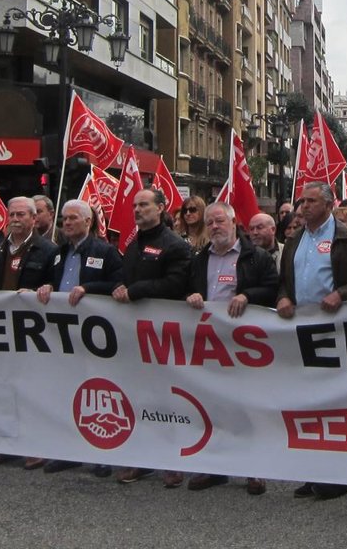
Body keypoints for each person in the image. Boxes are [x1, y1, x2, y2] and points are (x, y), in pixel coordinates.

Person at [277, 181, 347, 500]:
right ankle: (313, 472)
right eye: (301, 201)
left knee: (336, 406)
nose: (303, 207)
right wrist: (283, 297)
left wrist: (342, 294)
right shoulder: (294, 241)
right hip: (303, 333)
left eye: (310, 201)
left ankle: (337, 476)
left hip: (339, 330)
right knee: (309, 404)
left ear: (328, 204)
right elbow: (284, 282)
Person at [182, 202, 278, 495]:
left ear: (234, 221)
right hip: (210, 345)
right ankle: (215, 468)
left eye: (219, 221)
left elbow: (273, 288)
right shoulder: (199, 260)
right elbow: (183, 288)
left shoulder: (256, 257)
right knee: (214, 406)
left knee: (247, 407)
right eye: (209, 222)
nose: (214, 227)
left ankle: (254, 469)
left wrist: (247, 295)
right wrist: (191, 295)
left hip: (246, 345)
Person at [34, 199, 122, 475]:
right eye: (63, 219)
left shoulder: (106, 252)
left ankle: (102, 453)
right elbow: (47, 280)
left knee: (96, 393)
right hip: (63, 333)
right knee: (65, 390)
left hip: (94, 335)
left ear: (88, 221)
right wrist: (46, 286)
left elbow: (117, 284)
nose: (67, 223)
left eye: (73, 218)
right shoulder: (58, 253)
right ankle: (68, 450)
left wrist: (89, 287)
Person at [114, 188, 192, 485]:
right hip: (136, 335)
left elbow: (174, 284)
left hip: (164, 335)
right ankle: (143, 458)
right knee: (140, 397)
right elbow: (126, 276)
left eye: (144, 205)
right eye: (134, 205)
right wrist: (120, 287)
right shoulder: (133, 244)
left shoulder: (174, 245)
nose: (137, 210)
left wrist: (135, 291)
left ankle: (174, 461)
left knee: (169, 401)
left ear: (161, 208)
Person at [0, 196, 58, 468]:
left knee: (33, 389)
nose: (15, 219)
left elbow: (55, 287)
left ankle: (37, 444)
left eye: (21, 215)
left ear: (34, 219)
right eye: (11, 214)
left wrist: (41, 291)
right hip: (0, 327)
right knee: (3, 386)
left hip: (32, 331)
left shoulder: (47, 250)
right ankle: (5, 443)